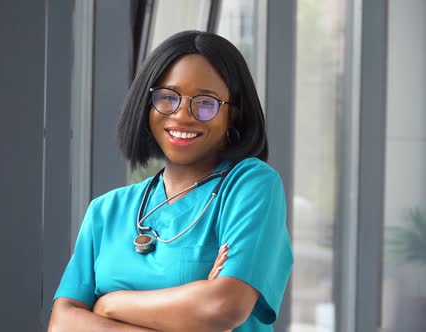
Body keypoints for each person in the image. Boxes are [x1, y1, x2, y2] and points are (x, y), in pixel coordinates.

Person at [48, 30, 293, 332]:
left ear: (233, 116)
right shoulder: (106, 210)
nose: (182, 115)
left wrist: (109, 305)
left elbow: (223, 306)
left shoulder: (250, 186)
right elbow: (62, 323)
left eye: (205, 102)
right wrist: (191, 312)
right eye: (167, 97)